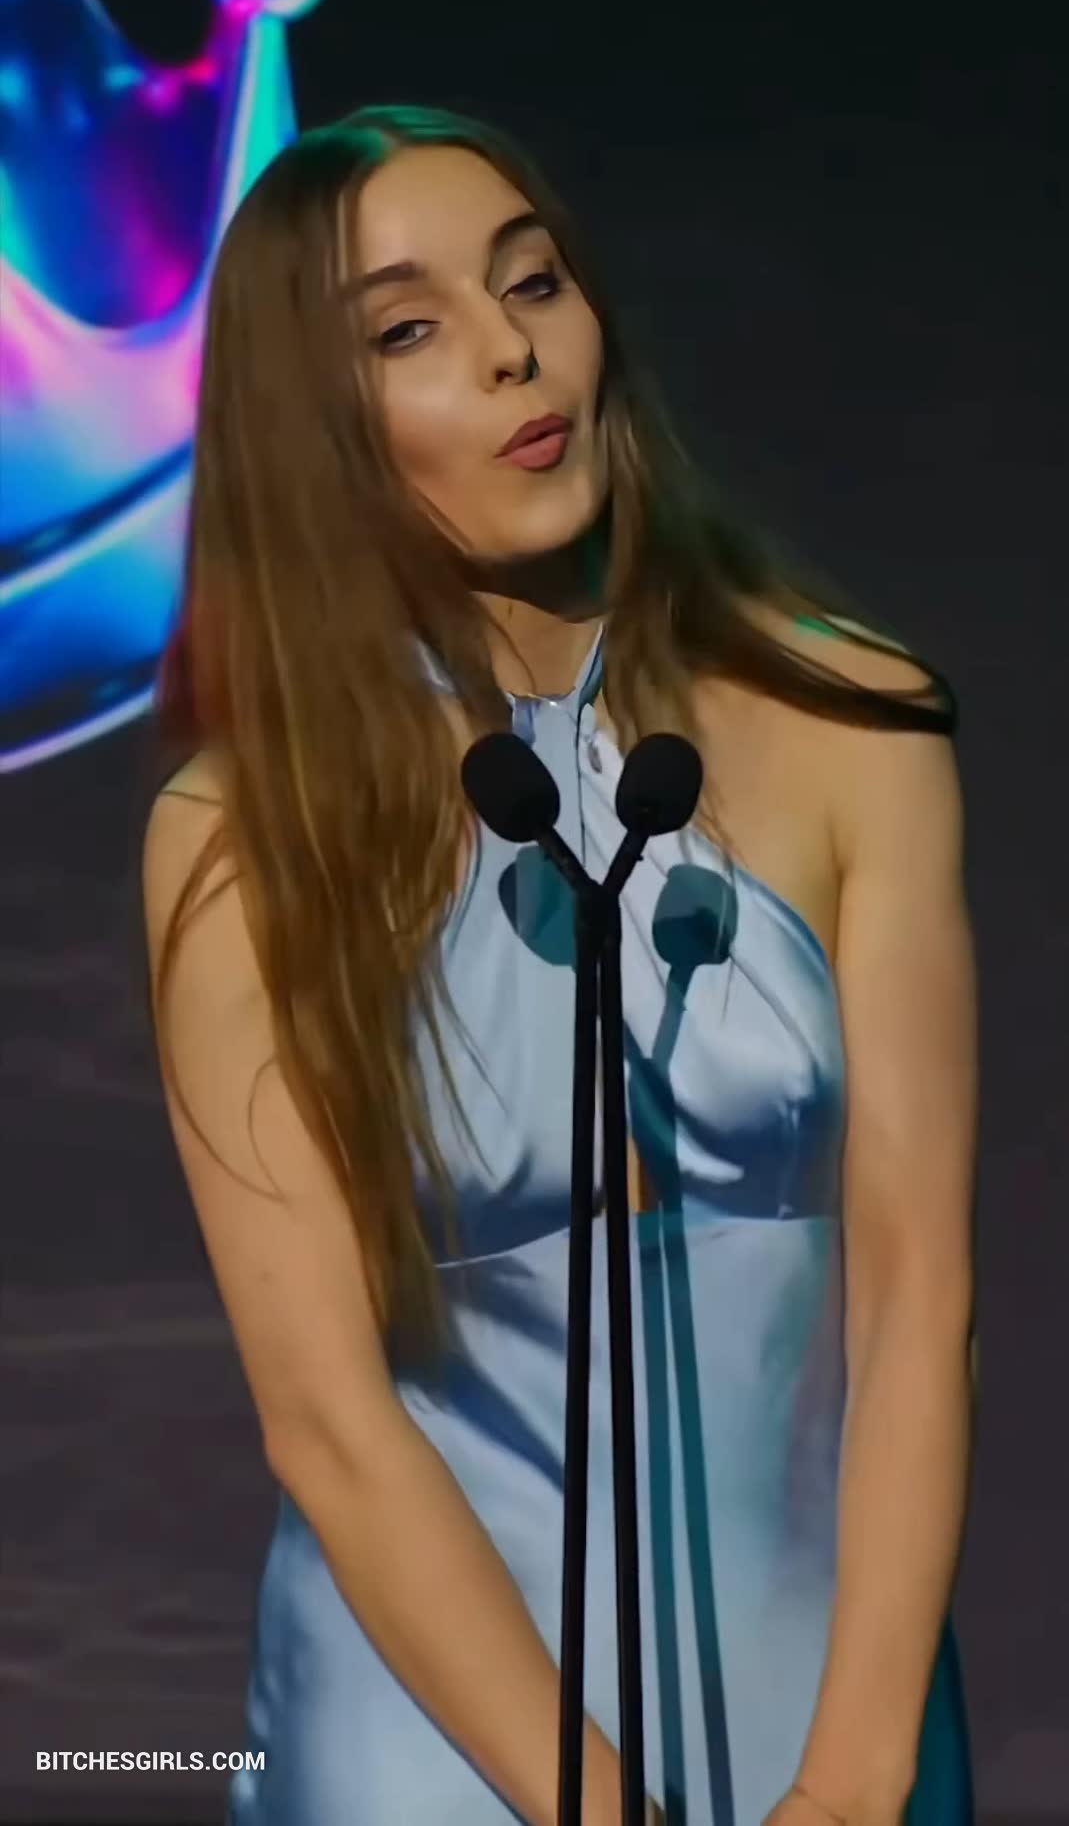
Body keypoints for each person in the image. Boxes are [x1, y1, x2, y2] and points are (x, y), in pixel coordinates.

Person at [140, 104, 978, 1826]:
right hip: (433, 1739)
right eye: (408, 330)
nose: (512, 350)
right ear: (313, 427)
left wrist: (858, 1774)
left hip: (834, 1705)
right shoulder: (240, 834)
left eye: (532, 282)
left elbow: (917, 1294)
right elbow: (329, 1424)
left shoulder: (852, 722)